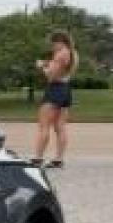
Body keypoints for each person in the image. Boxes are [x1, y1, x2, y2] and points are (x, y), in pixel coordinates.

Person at [33, 31, 76, 168]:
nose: (51, 47)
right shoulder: (73, 53)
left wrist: (42, 67)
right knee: (60, 127)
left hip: (55, 89)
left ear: (59, 42)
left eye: (53, 44)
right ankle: (58, 159)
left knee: (44, 125)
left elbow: (51, 76)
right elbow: (63, 70)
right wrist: (49, 63)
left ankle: (38, 158)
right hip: (65, 89)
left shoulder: (60, 54)